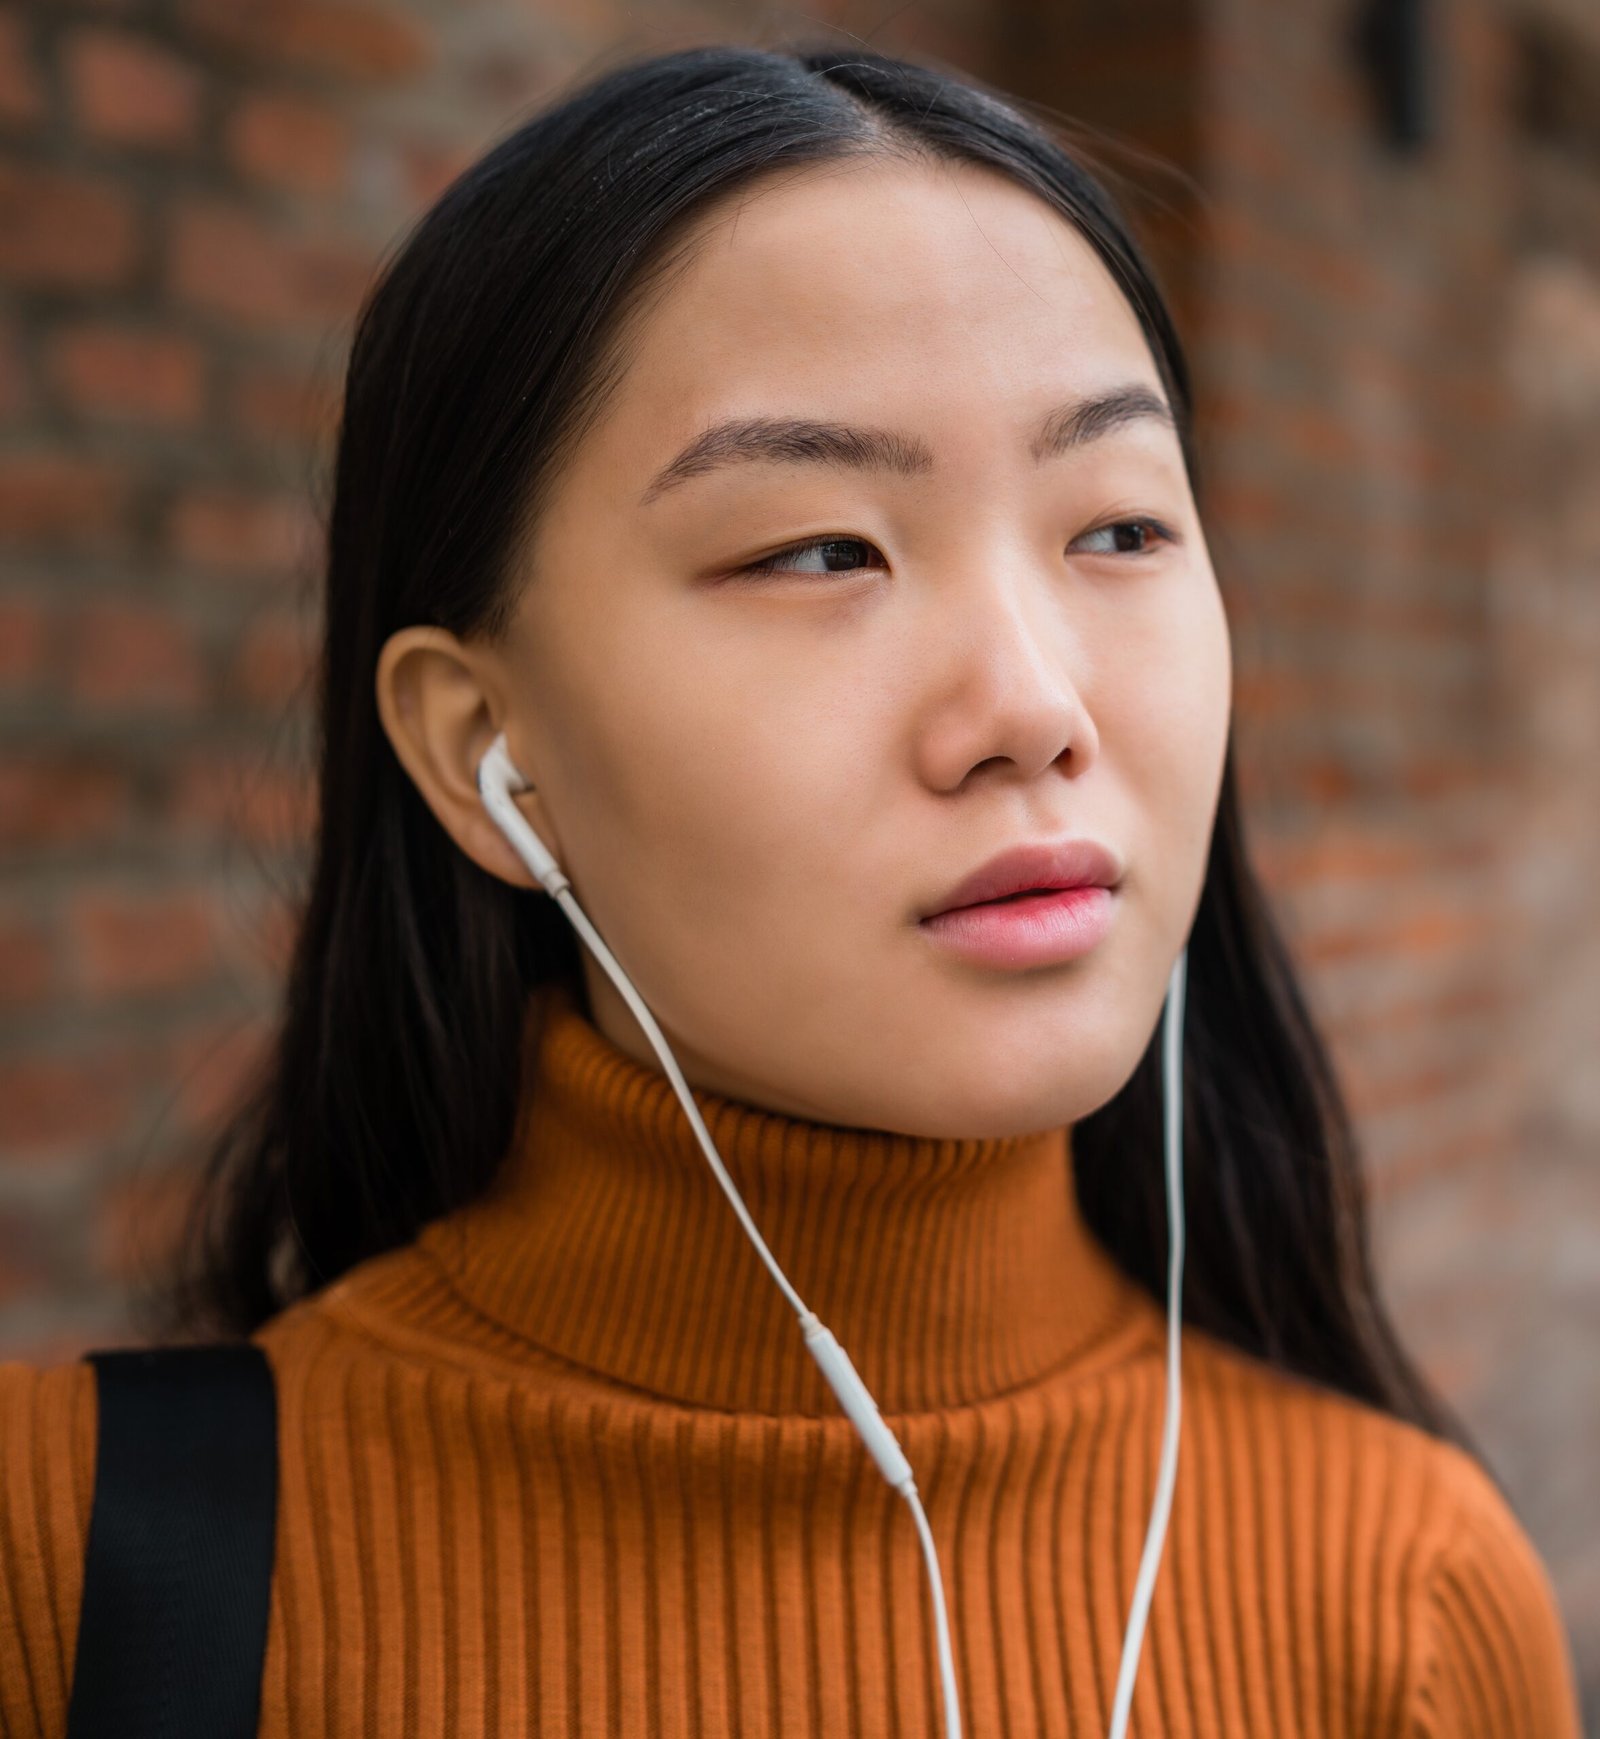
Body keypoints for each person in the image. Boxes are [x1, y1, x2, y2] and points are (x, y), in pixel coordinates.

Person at [0, 39, 1583, 1739]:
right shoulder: (69, 1570)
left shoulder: (1403, 1600)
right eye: (820, 551)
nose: (1036, 708)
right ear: (484, 750)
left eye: (1119, 528)